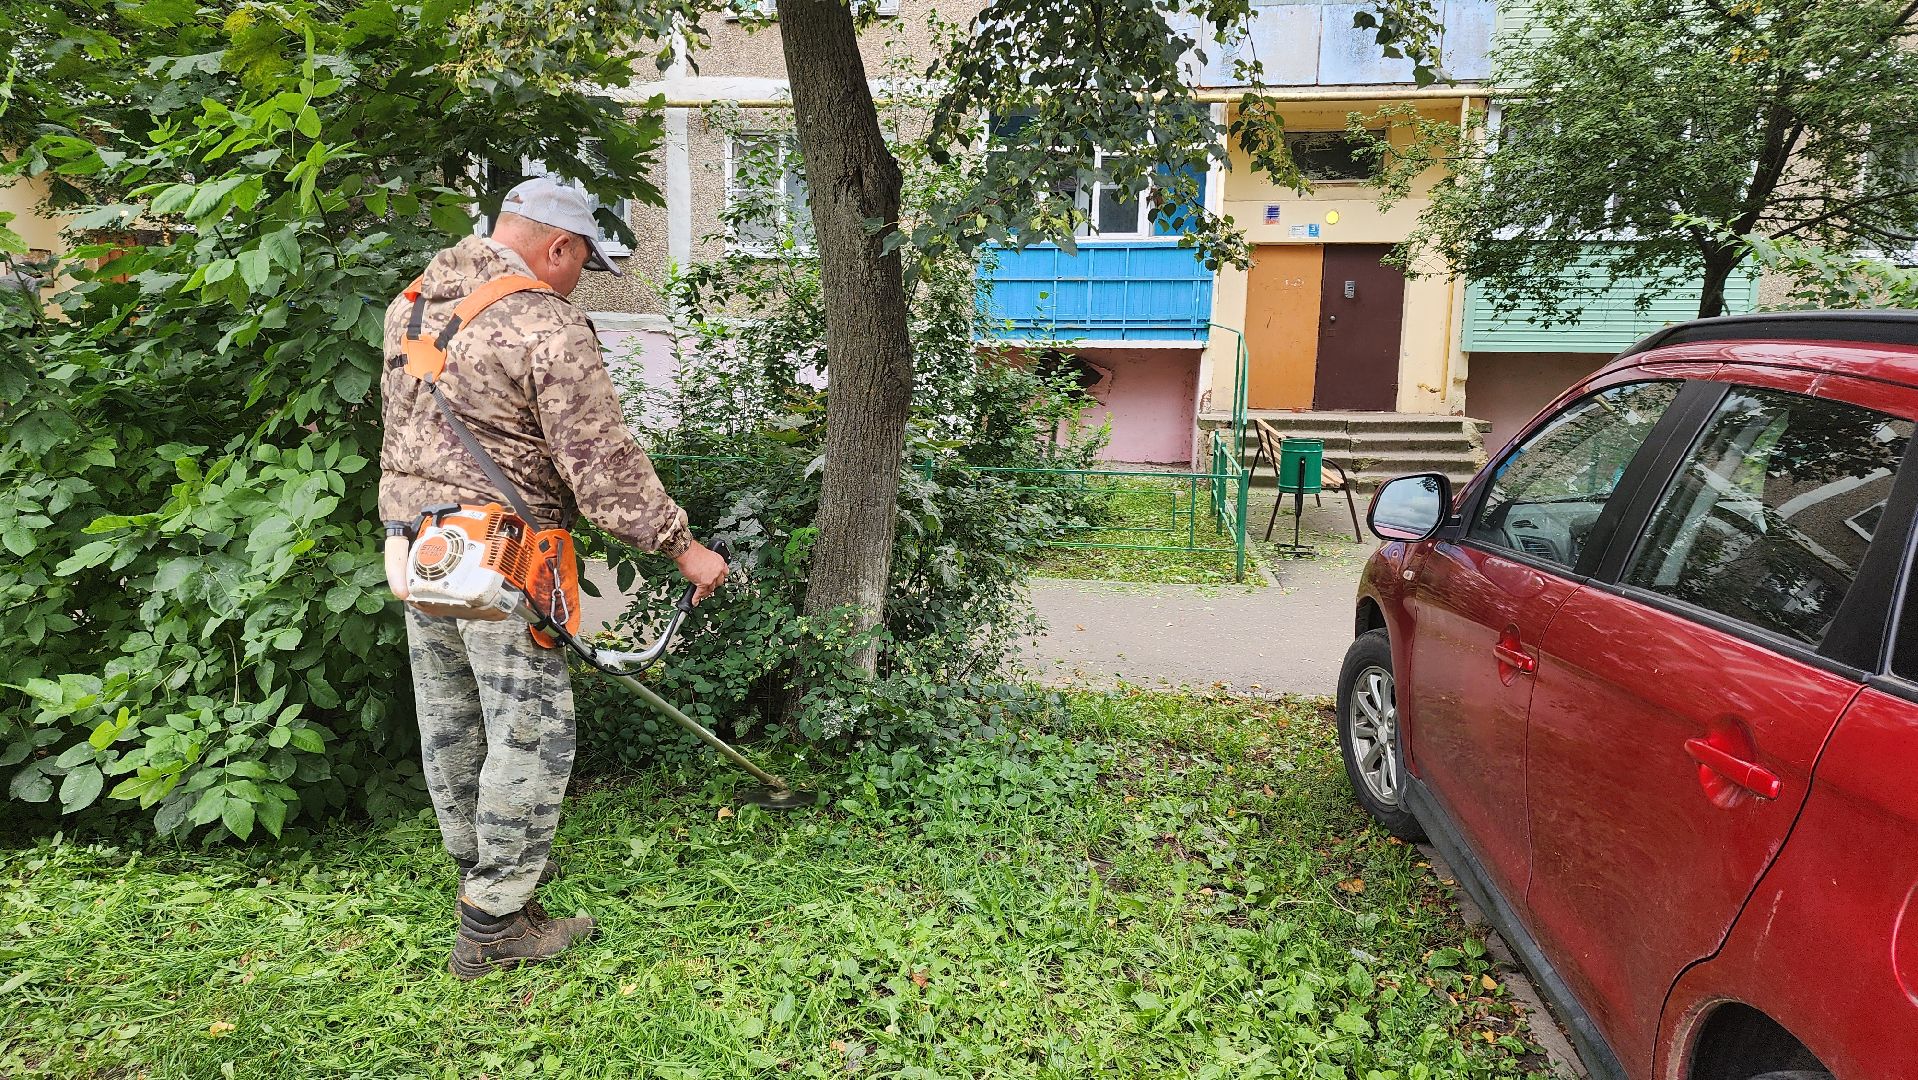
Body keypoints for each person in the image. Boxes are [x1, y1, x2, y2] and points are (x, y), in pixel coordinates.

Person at [378, 177, 728, 979]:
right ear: (557, 245)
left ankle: (483, 879)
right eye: (579, 262)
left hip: (421, 552)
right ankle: (495, 924)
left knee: (453, 727)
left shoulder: (413, 306)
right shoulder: (544, 320)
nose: (575, 280)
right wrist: (683, 548)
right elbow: (602, 465)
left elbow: (401, 435)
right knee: (529, 733)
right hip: (503, 556)